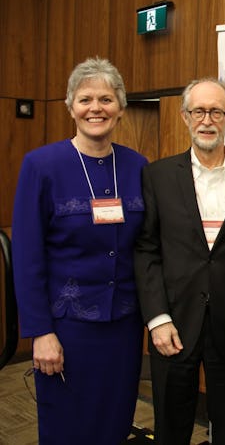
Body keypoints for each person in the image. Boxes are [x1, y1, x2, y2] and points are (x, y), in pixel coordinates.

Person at [12, 57, 147, 444]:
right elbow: (27, 256)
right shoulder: (41, 165)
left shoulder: (137, 166)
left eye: (106, 99)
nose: (96, 108)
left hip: (123, 326)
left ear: (120, 108)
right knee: (66, 426)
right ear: (71, 106)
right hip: (66, 328)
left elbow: (146, 246)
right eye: (86, 99)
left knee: (114, 420)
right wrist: (40, 332)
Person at [134, 77, 225, 445]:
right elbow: (146, 250)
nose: (207, 119)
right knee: (171, 426)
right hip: (173, 324)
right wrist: (157, 318)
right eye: (198, 111)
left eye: (216, 111)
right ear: (184, 116)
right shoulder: (157, 176)